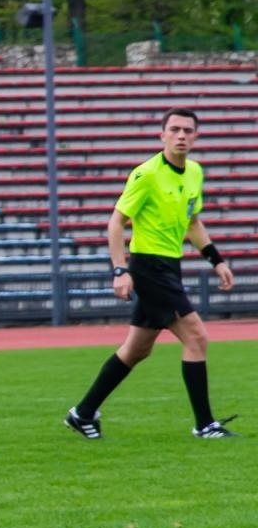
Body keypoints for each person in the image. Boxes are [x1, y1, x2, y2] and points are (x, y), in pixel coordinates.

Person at [65, 108, 238, 440]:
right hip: (148, 267)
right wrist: (120, 270)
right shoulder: (146, 174)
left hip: (170, 266)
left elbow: (193, 222)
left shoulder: (195, 173)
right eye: (174, 129)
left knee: (136, 349)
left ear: (196, 137)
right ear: (162, 135)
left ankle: (82, 413)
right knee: (197, 337)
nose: (181, 135)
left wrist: (216, 260)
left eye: (188, 130)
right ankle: (205, 425)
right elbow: (115, 223)